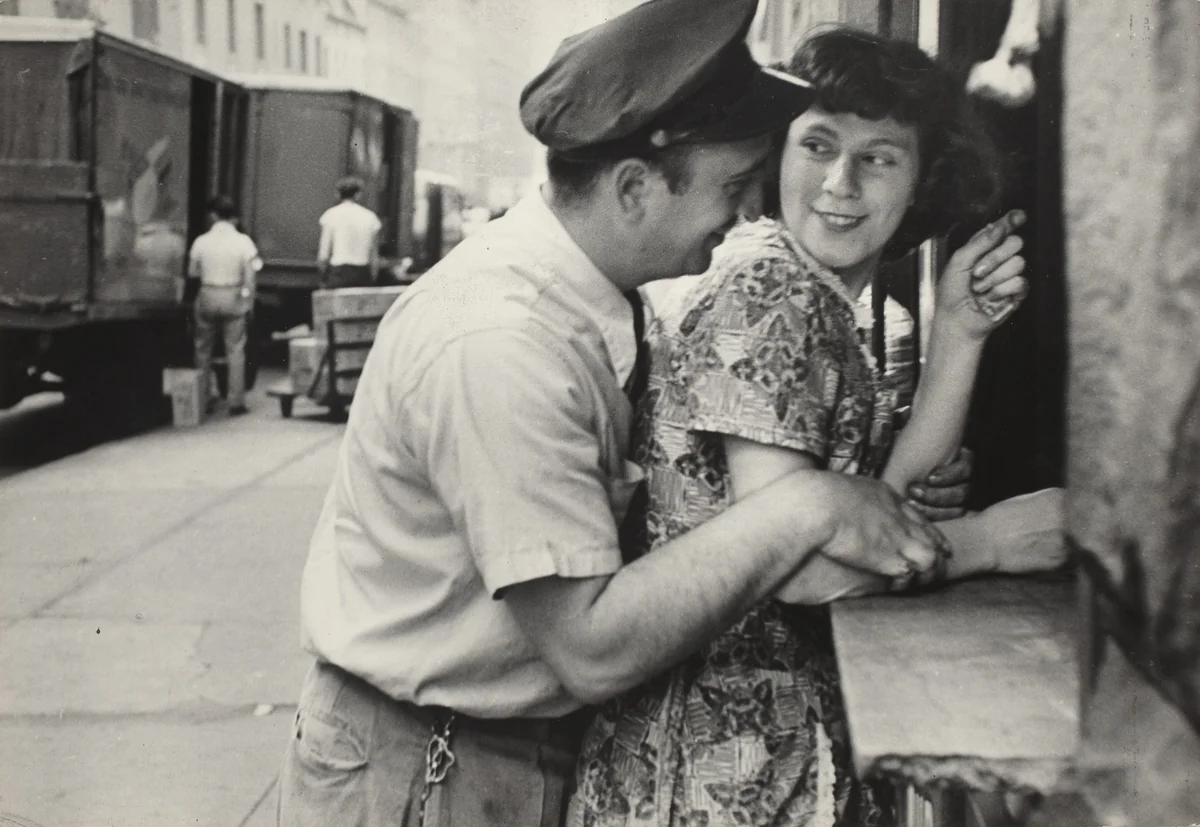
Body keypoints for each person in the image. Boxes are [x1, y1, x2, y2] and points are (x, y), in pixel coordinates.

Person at [276, 4, 964, 826]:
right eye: (731, 187)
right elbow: (592, 647)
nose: (746, 215)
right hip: (428, 766)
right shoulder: (500, 344)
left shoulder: (596, 298)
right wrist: (811, 507)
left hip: (500, 750)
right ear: (635, 186)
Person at [567, 27, 1068, 827]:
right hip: (716, 778)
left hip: (767, 761)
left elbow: (880, 512)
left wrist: (960, 333)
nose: (841, 182)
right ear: (775, 158)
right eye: (819, 145)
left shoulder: (822, 296)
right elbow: (799, 568)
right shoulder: (772, 291)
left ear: (921, 181)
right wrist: (993, 541)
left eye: (879, 157)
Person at [186, 194, 258, 416]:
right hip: (233, 295)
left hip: (208, 294)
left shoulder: (201, 241)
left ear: (213, 215)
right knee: (235, 349)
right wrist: (248, 300)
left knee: (202, 349)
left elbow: (192, 272)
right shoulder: (244, 242)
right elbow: (250, 278)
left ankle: (204, 398)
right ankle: (235, 402)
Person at [317, 176, 382, 288]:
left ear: (337, 194)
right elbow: (374, 257)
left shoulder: (330, 215)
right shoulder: (370, 217)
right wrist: (372, 278)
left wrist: (323, 278)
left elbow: (323, 255)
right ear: (358, 194)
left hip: (338, 273)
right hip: (362, 273)